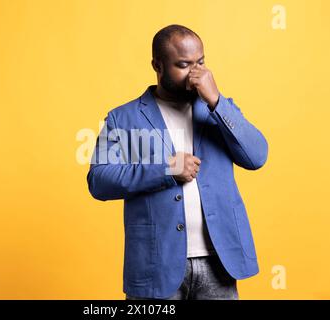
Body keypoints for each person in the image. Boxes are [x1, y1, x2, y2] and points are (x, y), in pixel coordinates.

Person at [87, 24, 268, 300]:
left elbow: (256, 157)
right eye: (183, 65)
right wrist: (167, 169)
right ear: (157, 66)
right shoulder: (122, 118)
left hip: (219, 261)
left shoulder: (219, 109)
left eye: (201, 63)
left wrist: (216, 101)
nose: (195, 74)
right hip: (155, 264)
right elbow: (99, 181)